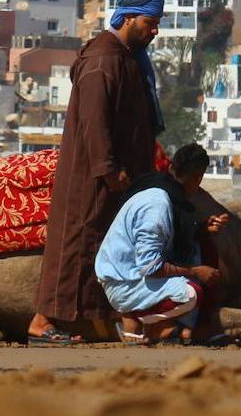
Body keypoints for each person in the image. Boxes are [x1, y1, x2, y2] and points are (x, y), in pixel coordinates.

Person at [29, 0, 168, 344]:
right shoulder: (103, 62)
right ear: (126, 19)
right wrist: (108, 167)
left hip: (119, 177)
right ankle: (42, 323)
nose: (154, 32)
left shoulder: (125, 59)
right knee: (79, 245)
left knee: (110, 246)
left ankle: (102, 321)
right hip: (92, 178)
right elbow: (95, 121)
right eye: (149, 24)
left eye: (156, 25)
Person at [96, 143, 229, 345]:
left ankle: (194, 326)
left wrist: (202, 228)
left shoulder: (163, 189)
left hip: (136, 274)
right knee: (191, 294)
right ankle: (139, 319)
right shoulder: (157, 207)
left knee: (205, 246)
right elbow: (150, 266)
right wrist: (195, 271)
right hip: (125, 281)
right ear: (198, 178)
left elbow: (176, 233)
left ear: (171, 168)